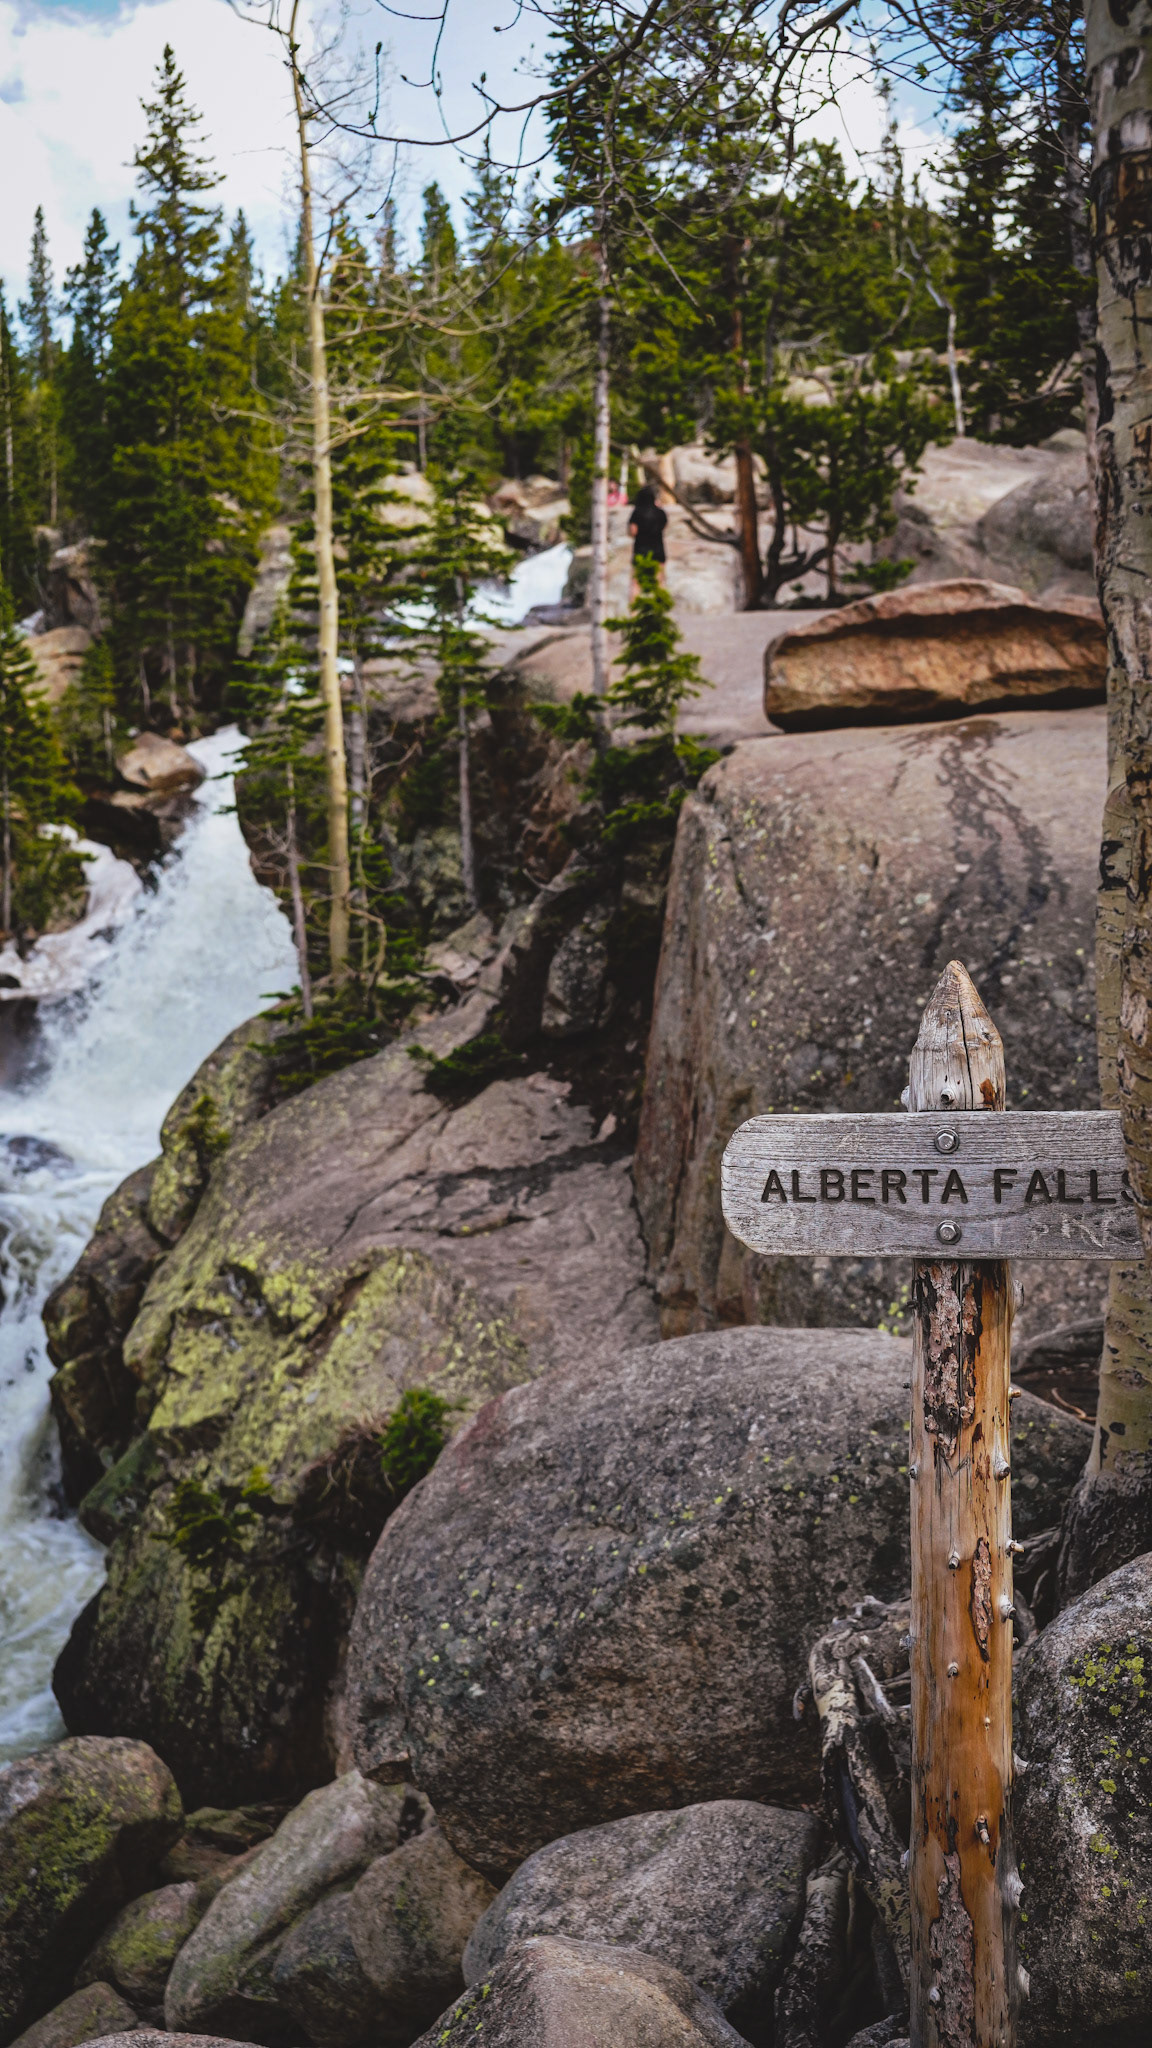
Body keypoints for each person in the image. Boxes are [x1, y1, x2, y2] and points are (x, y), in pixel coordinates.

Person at [628, 483, 667, 591]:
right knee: (659, 581)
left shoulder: (637, 513)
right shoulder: (660, 513)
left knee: (636, 583)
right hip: (658, 551)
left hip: (641, 550)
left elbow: (633, 531)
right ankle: (660, 605)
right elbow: (664, 526)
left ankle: (634, 607)